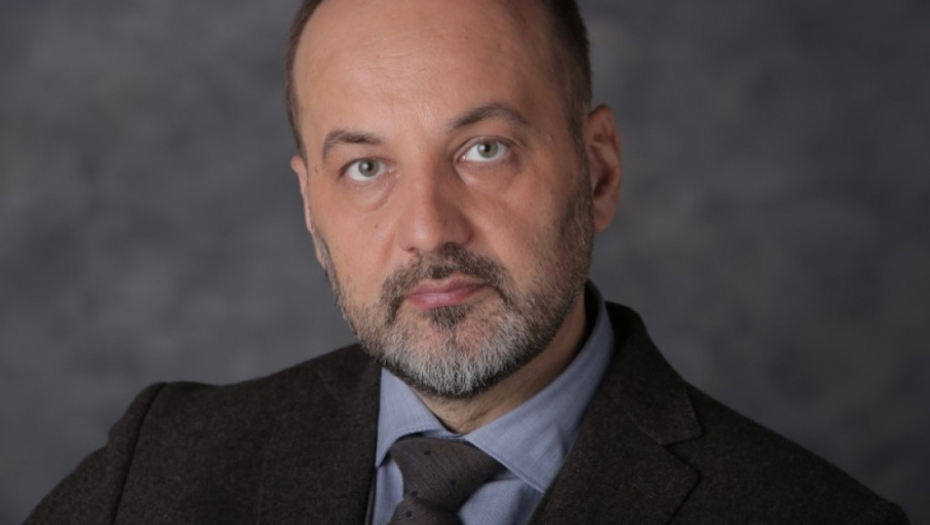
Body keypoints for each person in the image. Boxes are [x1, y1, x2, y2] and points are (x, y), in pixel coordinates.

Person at [25, 0, 909, 523]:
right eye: (365, 167)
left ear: (598, 170)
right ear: (311, 207)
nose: (427, 229)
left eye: (484, 149)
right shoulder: (159, 465)